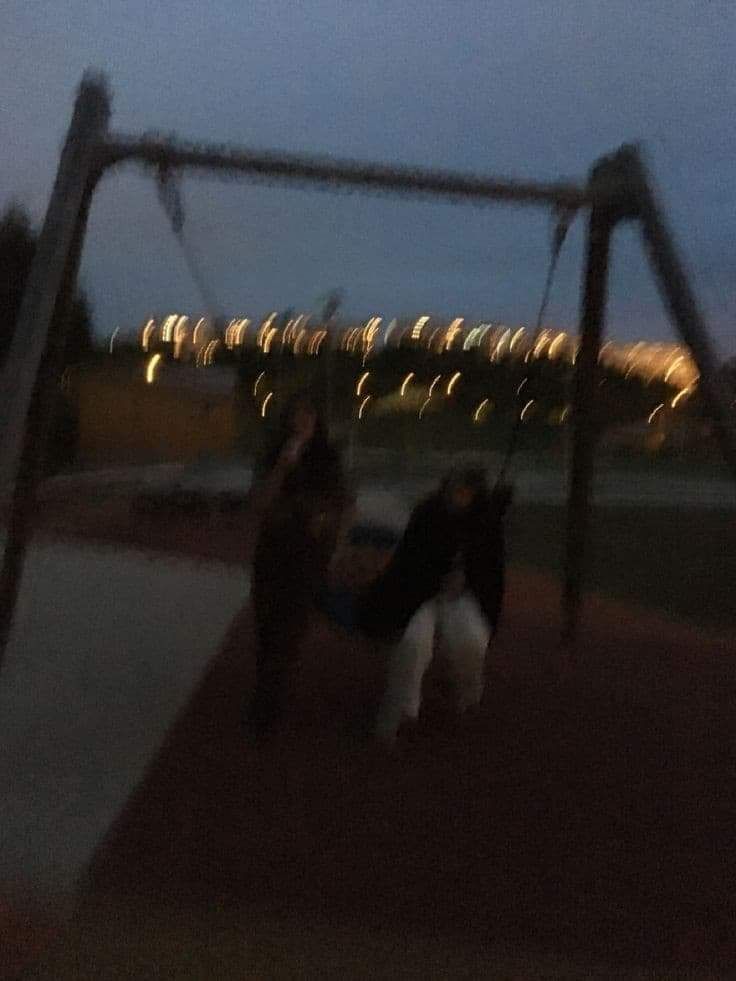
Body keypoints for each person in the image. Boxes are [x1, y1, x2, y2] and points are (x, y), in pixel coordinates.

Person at [359, 464, 510, 745]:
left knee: (472, 641)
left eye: (466, 492)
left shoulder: (486, 522)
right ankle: (402, 710)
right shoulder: (427, 513)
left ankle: (466, 696)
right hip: (419, 593)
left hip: (464, 595)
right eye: (455, 490)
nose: (459, 496)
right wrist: (437, 577)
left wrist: (467, 579)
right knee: (413, 644)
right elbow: (409, 563)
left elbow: (491, 570)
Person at [246, 392, 350, 738]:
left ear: (316, 420)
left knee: (290, 629)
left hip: (307, 554)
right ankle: (267, 687)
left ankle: (268, 706)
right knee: (267, 623)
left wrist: (330, 535)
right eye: (295, 415)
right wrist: (282, 467)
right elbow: (260, 502)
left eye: (308, 415)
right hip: (273, 548)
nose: (301, 422)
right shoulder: (275, 453)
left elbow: (342, 505)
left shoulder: (326, 457)